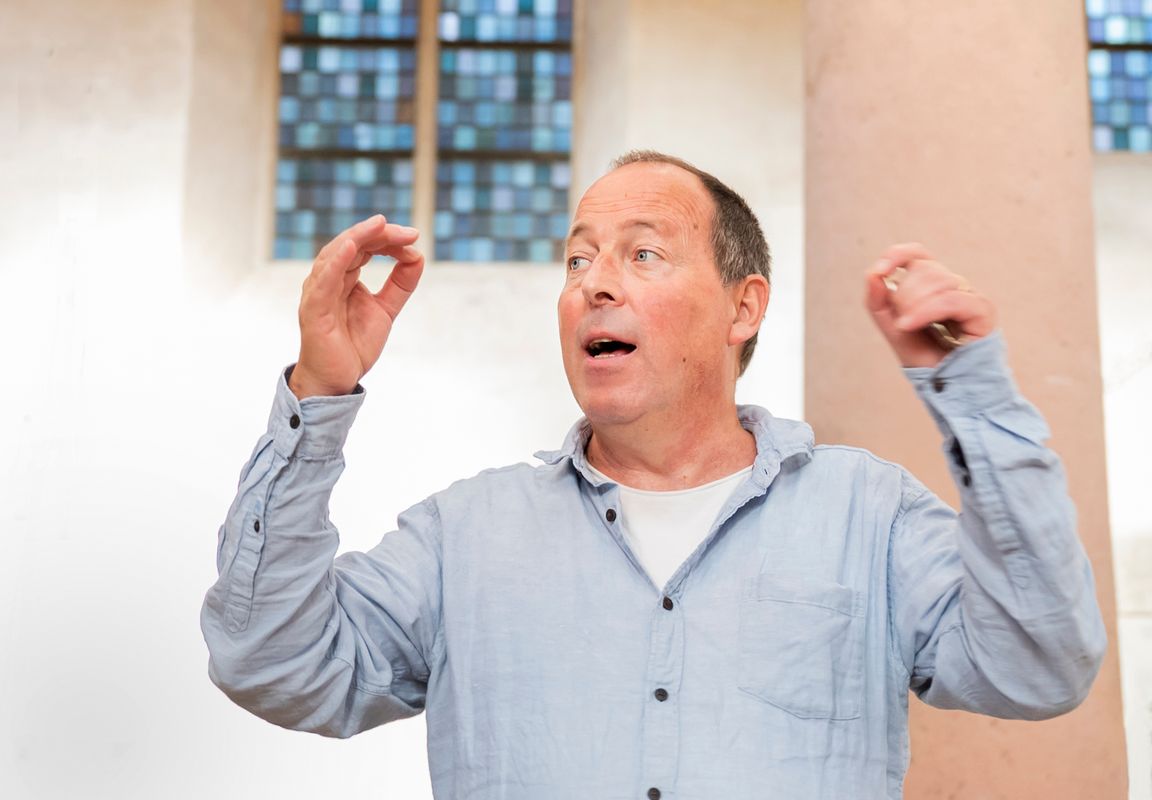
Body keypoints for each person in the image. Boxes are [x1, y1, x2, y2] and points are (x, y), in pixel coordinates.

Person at [201, 151, 1106, 799]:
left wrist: (972, 393)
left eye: (643, 254)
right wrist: (319, 389)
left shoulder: (867, 515)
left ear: (743, 307)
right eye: (577, 259)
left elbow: (1039, 666)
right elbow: (272, 662)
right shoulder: (462, 537)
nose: (594, 284)